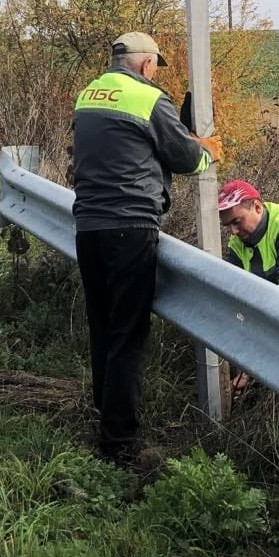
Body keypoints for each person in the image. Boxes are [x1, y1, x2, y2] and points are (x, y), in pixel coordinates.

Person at [71, 31, 223, 465]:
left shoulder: (90, 94)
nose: (155, 72)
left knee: (102, 325)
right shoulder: (147, 98)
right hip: (130, 226)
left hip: (88, 223)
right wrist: (206, 151)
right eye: (155, 65)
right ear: (145, 64)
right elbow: (186, 159)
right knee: (128, 332)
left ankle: (105, 414)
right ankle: (119, 443)